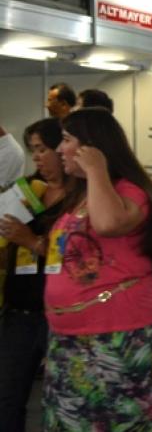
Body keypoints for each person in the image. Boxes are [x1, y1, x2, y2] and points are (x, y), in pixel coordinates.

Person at [43, 108, 152, 430]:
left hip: (119, 337)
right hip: (70, 338)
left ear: (93, 147)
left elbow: (108, 223)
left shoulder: (130, 192)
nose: (60, 150)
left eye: (67, 140)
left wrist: (97, 169)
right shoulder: (80, 197)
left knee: (119, 422)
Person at [0, 118, 68, 432]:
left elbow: (80, 258)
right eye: (33, 150)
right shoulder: (27, 189)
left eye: (42, 149)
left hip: (62, 313)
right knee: (7, 398)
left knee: (61, 399)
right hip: (20, 310)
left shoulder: (80, 197)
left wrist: (31, 241)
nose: (37, 157)